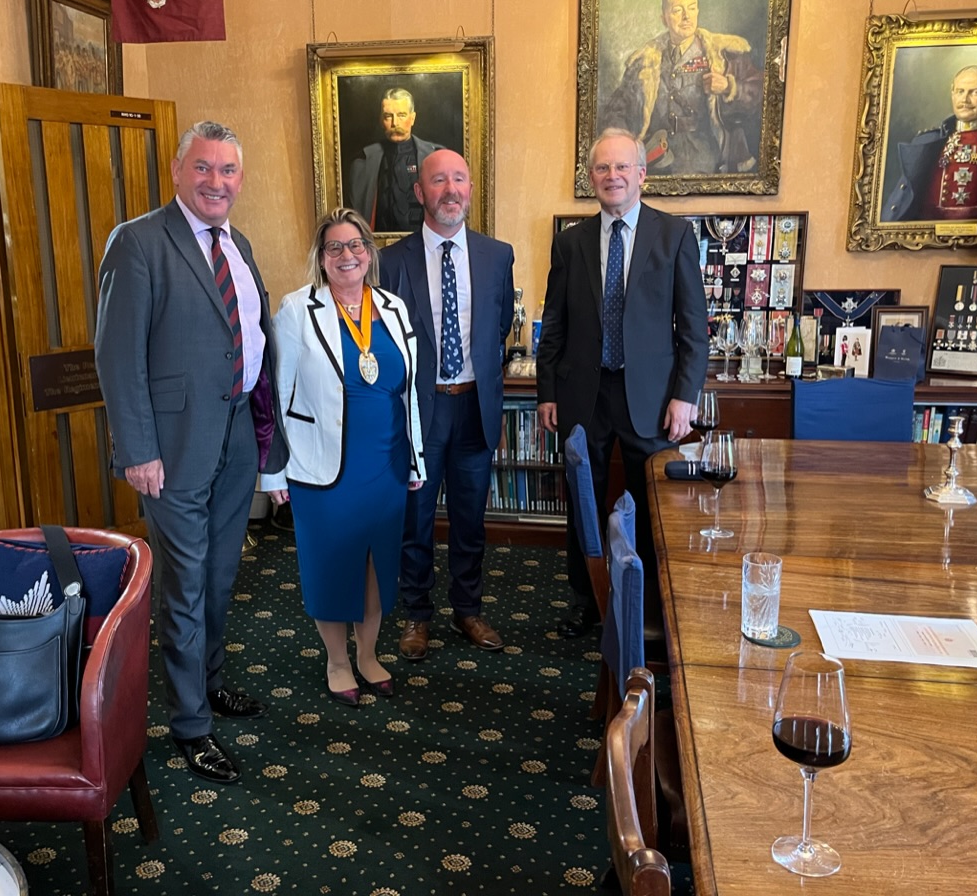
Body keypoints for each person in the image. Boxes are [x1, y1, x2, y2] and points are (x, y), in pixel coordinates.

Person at [94, 121, 288, 785]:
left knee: (221, 575)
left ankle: (207, 684)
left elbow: (251, 339)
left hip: (235, 433)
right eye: (203, 168)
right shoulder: (140, 242)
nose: (216, 182)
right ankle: (191, 725)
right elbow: (117, 357)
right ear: (179, 171)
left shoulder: (241, 243)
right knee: (183, 584)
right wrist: (137, 451)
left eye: (228, 170)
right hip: (170, 449)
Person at [537, 128, 708, 638]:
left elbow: (693, 327)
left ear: (641, 174)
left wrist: (685, 395)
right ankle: (586, 597)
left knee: (650, 501)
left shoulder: (674, 236)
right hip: (584, 395)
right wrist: (547, 392)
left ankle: (650, 600)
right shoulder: (571, 243)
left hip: (652, 399)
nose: (612, 177)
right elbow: (556, 325)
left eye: (621, 167)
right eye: (602, 169)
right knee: (583, 499)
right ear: (591, 178)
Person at [260, 209, 426, 705]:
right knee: (331, 565)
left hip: (386, 463)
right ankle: (337, 661)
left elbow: (410, 392)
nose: (347, 255)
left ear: (369, 252)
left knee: (377, 565)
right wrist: (273, 472)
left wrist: (415, 459)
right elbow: (272, 393)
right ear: (321, 257)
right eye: (335, 247)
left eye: (355, 245)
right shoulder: (296, 310)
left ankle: (369, 653)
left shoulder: (393, 308)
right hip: (322, 468)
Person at [379, 149, 515, 660]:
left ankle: (468, 609)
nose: (450, 189)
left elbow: (498, 330)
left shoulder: (497, 255)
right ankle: (416, 616)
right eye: (439, 180)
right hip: (418, 411)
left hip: (474, 406)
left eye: (459, 178)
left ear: (471, 187)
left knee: (470, 517)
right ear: (420, 192)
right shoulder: (392, 261)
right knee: (415, 517)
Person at [600, 0, 763, 176]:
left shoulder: (726, 53)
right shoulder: (645, 60)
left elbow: (762, 93)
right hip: (656, 159)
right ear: (664, 18)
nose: (687, 17)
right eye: (677, 10)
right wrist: (628, 149)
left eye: (692, 8)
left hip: (706, 156)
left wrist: (729, 86)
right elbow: (617, 109)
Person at [884, 65, 977, 223]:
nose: (965, 99)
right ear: (952, 94)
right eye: (960, 91)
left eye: (975, 92)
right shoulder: (929, 141)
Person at [347, 88, 444, 233]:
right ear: (381, 120)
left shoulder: (437, 157)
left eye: (401, 115)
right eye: (388, 116)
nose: (395, 123)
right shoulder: (362, 162)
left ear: (412, 118)